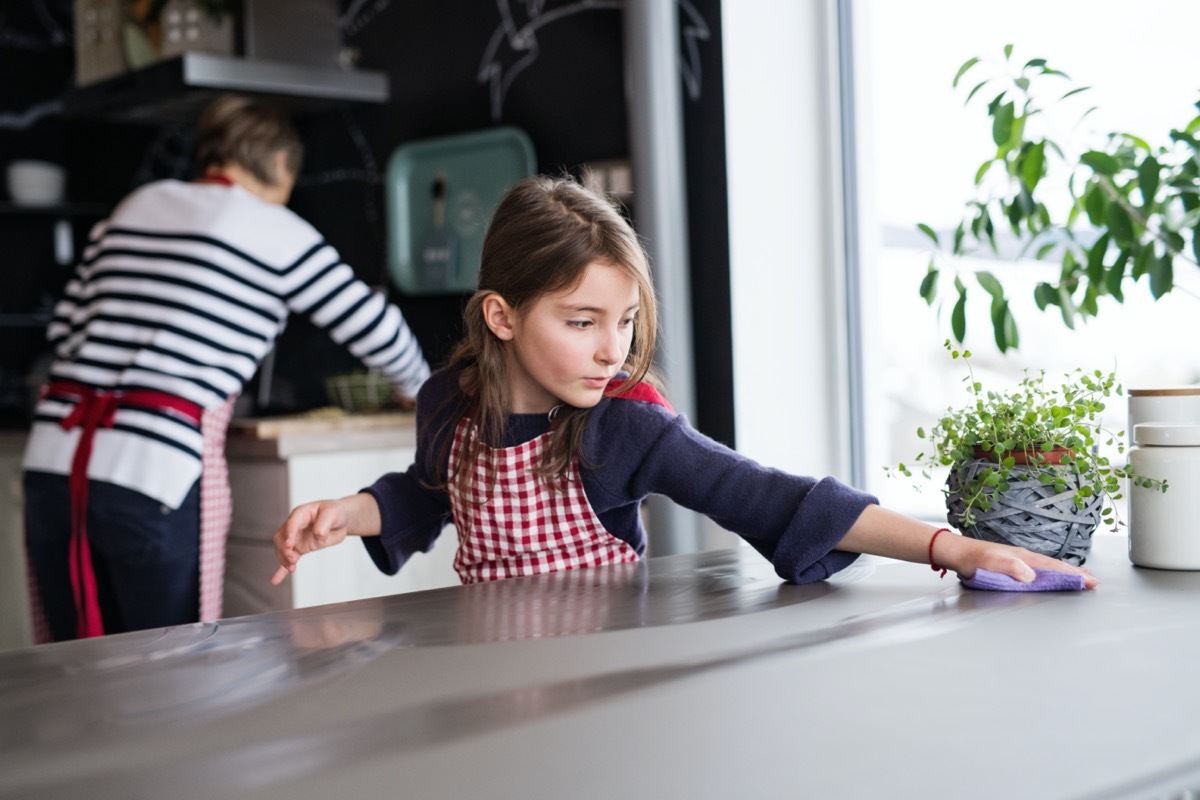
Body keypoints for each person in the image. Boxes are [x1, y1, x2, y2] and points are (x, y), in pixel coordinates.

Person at [271, 175, 1095, 593]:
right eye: (582, 320)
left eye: (625, 321)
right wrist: (350, 514)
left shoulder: (624, 428)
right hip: (479, 675)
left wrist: (949, 548)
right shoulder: (450, 403)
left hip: (606, 683)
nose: (611, 351)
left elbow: (775, 498)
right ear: (501, 317)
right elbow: (429, 495)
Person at [23, 94, 431, 641]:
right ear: (282, 164)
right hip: (152, 471)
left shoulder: (134, 206)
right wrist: (418, 390)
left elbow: (65, 333)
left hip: (53, 460)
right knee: (166, 668)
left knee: (72, 664)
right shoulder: (274, 228)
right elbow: (375, 326)